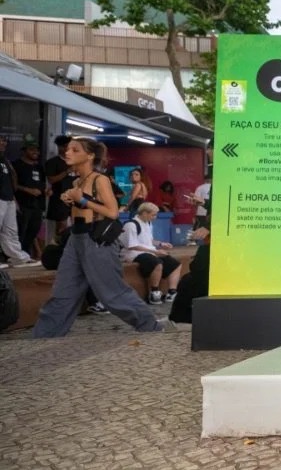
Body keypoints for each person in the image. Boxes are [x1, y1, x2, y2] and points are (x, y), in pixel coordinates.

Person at [32, 136, 164, 336]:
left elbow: (112, 212)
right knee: (63, 291)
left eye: (75, 150)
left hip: (96, 239)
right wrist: (71, 200)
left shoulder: (99, 179)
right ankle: (45, 334)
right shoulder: (77, 180)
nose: (67, 153)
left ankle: (150, 326)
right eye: (68, 149)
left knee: (112, 292)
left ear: (90, 155)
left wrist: (82, 200)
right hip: (75, 237)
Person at [120, 202, 181, 305]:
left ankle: (171, 292)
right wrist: (155, 251)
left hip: (148, 251)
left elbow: (149, 240)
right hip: (133, 253)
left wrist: (161, 244)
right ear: (144, 213)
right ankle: (154, 292)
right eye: (153, 215)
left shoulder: (148, 223)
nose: (155, 217)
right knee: (157, 263)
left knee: (175, 264)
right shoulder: (130, 225)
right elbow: (132, 245)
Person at [0, 134, 38, 268]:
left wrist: (13, 198)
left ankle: (18, 257)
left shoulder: (5, 160)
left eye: (4, 141)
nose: (3, 143)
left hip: (8, 198)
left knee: (10, 231)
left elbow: (10, 180)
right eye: (1, 140)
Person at [14, 141, 46, 258]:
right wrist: (27, 189)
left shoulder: (38, 167)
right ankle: (16, 256)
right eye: (32, 150)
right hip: (23, 204)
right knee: (20, 231)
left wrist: (45, 191)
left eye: (37, 150)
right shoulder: (16, 165)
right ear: (24, 151)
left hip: (37, 205)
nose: (35, 152)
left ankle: (26, 255)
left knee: (33, 231)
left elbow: (42, 183)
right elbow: (13, 185)